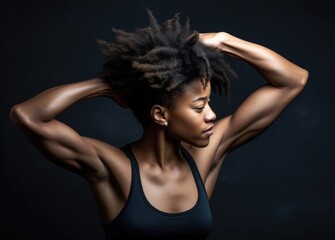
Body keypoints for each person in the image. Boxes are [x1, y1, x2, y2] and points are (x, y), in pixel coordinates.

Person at [10, 9, 308, 240]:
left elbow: (293, 80)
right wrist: (105, 85)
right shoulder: (113, 169)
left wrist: (223, 41)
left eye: (209, 103)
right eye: (199, 107)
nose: (212, 115)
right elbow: (27, 115)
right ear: (160, 115)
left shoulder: (204, 156)